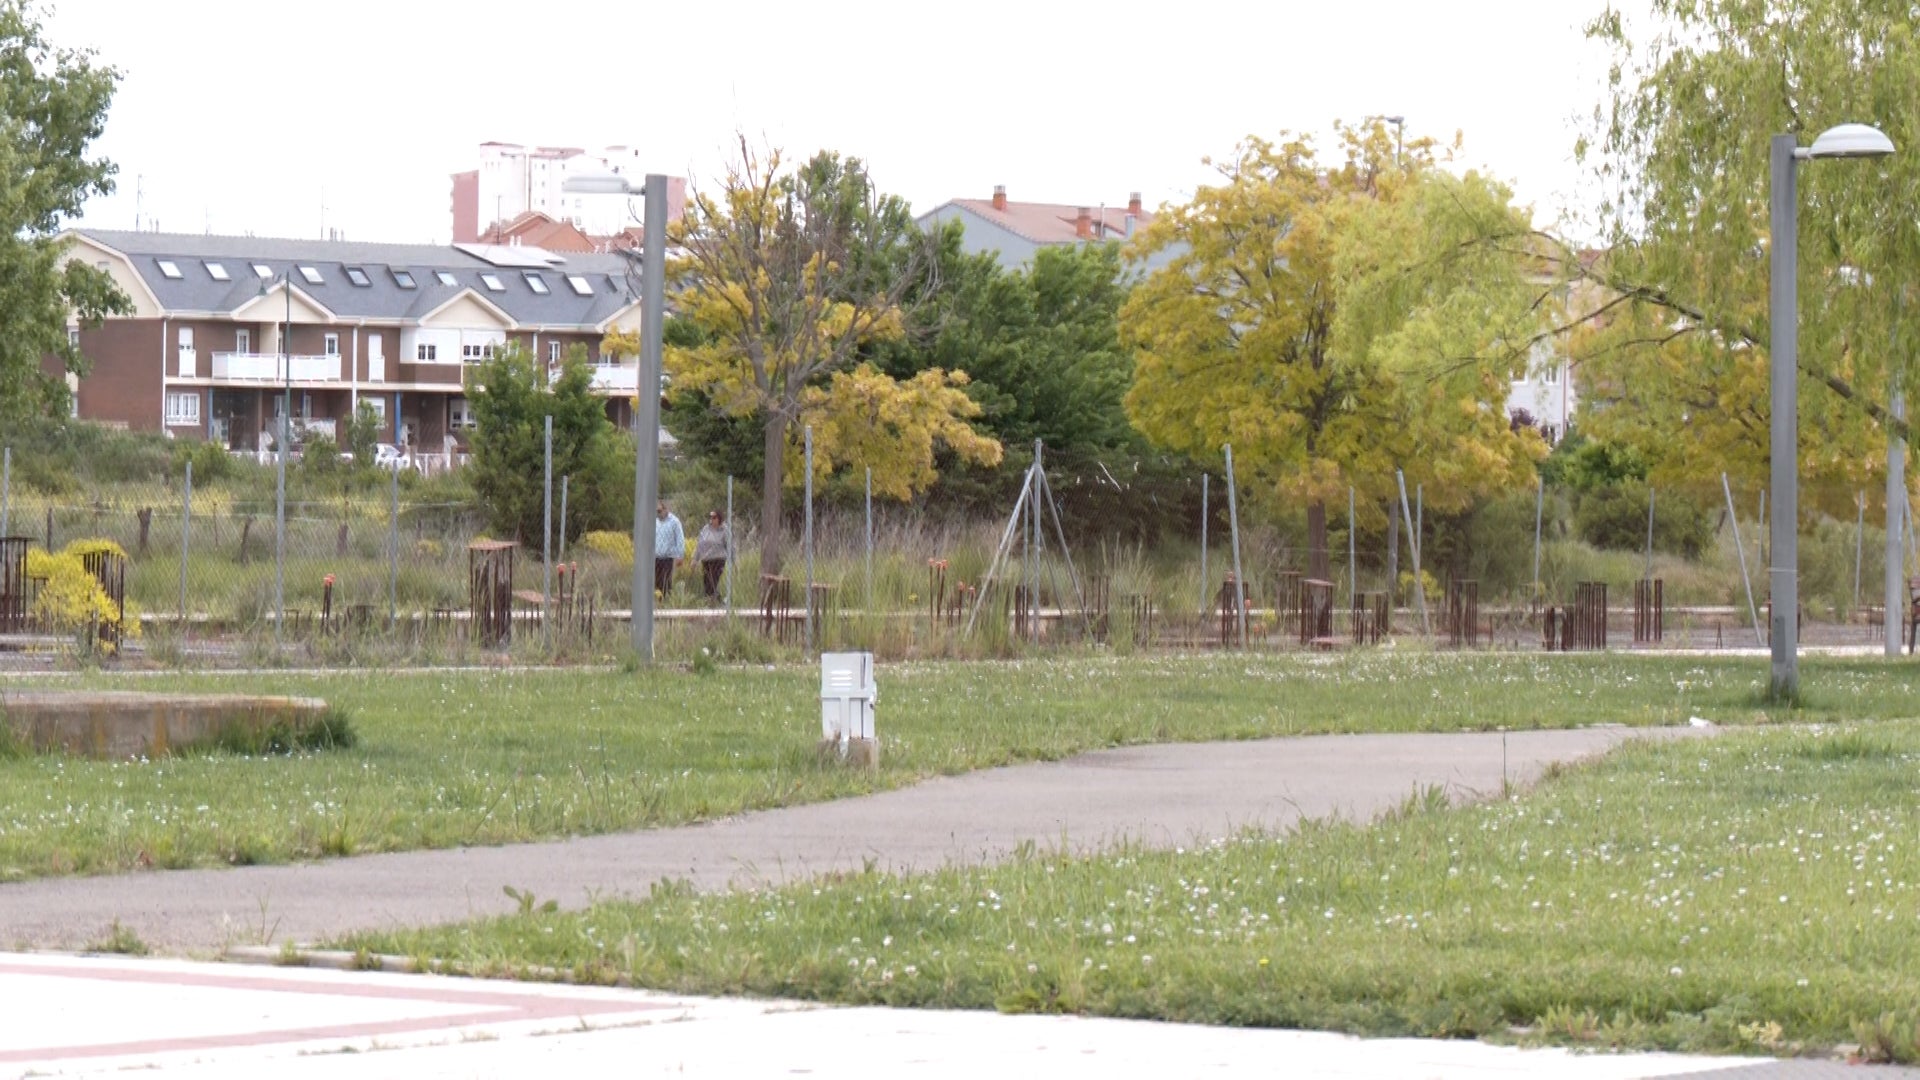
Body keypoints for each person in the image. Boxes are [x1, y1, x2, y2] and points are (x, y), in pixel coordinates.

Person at [695, 510, 730, 603]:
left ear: (719, 519)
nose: (711, 520)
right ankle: (715, 601)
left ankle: (714, 600)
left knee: (713, 581)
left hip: (718, 559)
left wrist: (734, 560)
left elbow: (730, 546)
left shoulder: (724, 530)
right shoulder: (706, 529)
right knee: (707, 582)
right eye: (710, 517)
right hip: (706, 559)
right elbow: (700, 544)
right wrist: (695, 559)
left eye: (714, 517)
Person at [653, 501, 684, 598]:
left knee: (666, 580)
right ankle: (659, 601)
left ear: (666, 510)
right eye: (656, 512)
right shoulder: (655, 521)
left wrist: (680, 555)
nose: (658, 514)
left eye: (659, 511)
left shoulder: (674, 521)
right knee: (657, 581)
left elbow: (680, 538)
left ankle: (667, 599)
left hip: (668, 556)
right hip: (656, 556)